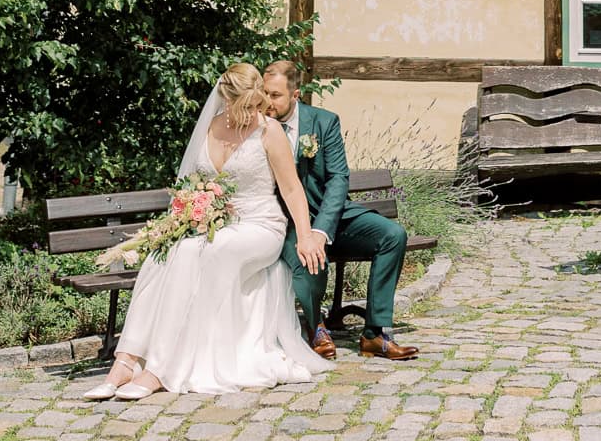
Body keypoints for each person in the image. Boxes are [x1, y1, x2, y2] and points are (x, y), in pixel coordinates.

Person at [82, 62, 331, 398]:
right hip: (216, 225)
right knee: (164, 256)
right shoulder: (212, 127)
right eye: (240, 106)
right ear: (226, 100)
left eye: (253, 105)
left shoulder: (269, 132)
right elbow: (193, 183)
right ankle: (126, 361)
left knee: (204, 251)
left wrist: (305, 234)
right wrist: (187, 215)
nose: (248, 112)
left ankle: (161, 367)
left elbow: (291, 190)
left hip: (260, 227)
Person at [263, 59, 419, 361]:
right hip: (286, 222)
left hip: (331, 215)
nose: (267, 102)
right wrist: (306, 233)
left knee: (392, 235)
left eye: (275, 95)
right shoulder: (258, 126)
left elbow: (338, 178)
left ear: (295, 94)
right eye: (265, 94)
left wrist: (321, 230)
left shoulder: (323, 122)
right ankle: (316, 326)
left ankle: (375, 333)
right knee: (308, 255)